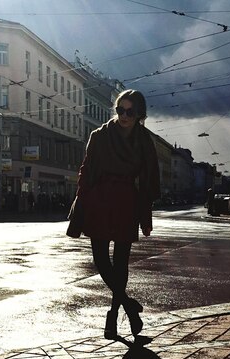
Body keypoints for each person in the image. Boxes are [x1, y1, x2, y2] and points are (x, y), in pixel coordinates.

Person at [67, 90, 161, 340]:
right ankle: (129, 307)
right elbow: (86, 170)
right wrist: (81, 203)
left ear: (139, 113)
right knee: (100, 259)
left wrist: (146, 217)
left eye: (130, 111)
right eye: (120, 110)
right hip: (99, 198)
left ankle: (112, 318)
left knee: (121, 263)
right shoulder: (99, 136)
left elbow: (150, 180)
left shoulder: (144, 141)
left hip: (127, 202)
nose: (124, 116)